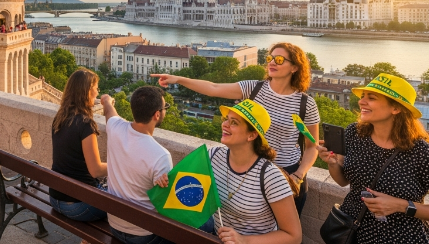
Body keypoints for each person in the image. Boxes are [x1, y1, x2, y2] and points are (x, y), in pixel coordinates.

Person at [152, 42, 320, 215]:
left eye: (279, 59)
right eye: (270, 58)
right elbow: (213, 88)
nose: (272, 63)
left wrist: (298, 175)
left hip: (288, 175)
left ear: (294, 67)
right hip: (254, 171)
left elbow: (312, 146)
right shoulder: (254, 89)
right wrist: (178, 79)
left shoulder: (306, 104)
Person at [317, 74, 429, 243]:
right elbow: (343, 182)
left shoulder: (425, 155)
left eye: (372, 98)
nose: (361, 102)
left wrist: (400, 205)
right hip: (353, 233)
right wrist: (332, 164)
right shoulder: (354, 133)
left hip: (400, 238)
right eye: (363, 97)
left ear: (396, 108)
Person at [193, 99, 300, 244]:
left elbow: (293, 236)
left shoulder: (270, 177)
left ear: (251, 135)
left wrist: (244, 240)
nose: (224, 124)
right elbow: (190, 184)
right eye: (226, 119)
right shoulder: (213, 156)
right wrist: (166, 179)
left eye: (234, 122)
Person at [99, 86, 173, 244]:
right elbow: (166, 206)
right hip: (144, 235)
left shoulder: (115, 128)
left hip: (114, 225)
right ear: (157, 114)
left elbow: (109, 110)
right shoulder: (161, 156)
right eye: (165, 107)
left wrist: (106, 99)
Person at [50, 69, 108, 222]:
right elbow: (96, 170)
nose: (97, 92)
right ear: (87, 91)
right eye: (96, 88)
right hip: (78, 205)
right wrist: (120, 165)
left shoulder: (59, 119)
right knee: (125, 202)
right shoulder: (85, 125)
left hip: (55, 199)